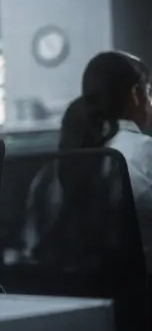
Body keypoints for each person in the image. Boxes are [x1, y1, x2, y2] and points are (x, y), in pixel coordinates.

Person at [58, 50, 152, 266]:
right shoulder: (141, 149)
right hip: (140, 285)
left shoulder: (70, 156)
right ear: (136, 94)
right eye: (149, 91)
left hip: (89, 285)